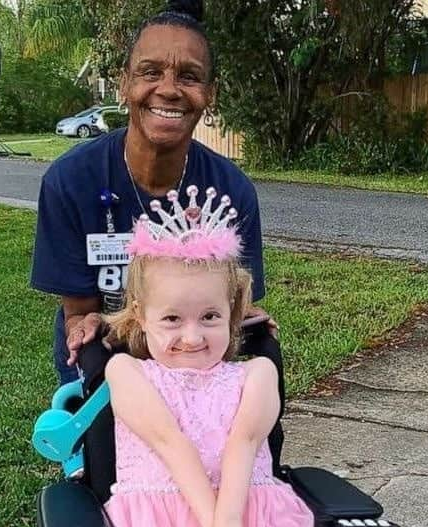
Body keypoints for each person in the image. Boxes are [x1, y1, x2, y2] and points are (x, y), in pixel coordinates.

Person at [30, 0, 272, 386]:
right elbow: (78, 313)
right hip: (102, 369)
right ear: (124, 83)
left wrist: (250, 320)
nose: (169, 89)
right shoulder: (70, 181)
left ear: (210, 93)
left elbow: (234, 305)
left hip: (193, 368)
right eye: (150, 71)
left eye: (190, 76)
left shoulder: (231, 191)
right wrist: (88, 326)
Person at [102, 188, 331, 527]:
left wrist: (228, 525)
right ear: (141, 316)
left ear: (233, 313)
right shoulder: (127, 372)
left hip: (250, 517)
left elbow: (244, 443)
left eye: (210, 317)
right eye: (172, 318)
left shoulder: (257, 375)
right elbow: (168, 442)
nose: (192, 337)